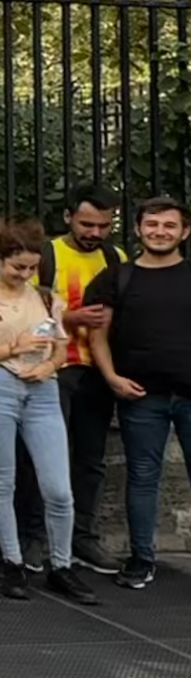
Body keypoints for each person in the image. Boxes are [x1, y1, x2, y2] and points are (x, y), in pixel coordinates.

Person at [0, 217, 98, 605]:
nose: (25, 274)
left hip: (42, 388)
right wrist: (13, 349)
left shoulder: (45, 299)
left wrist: (49, 366)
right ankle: (13, 562)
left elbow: (60, 347)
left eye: (31, 267)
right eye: (17, 267)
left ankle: (62, 564)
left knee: (58, 487)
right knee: (2, 479)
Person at [85, 195, 191, 592]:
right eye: (152, 224)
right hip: (141, 397)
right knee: (143, 479)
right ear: (138, 228)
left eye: (169, 225)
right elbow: (96, 333)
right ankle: (141, 559)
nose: (160, 232)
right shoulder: (118, 277)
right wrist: (112, 377)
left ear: (185, 232)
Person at [41, 184, 124, 575]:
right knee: (44, 459)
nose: (95, 233)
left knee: (91, 460)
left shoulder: (116, 257)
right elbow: (19, 311)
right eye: (87, 224)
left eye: (103, 226)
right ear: (68, 217)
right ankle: (36, 539)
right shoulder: (46, 254)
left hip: (97, 371)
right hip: (53, 370)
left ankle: (84, 539)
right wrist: (70, 319)